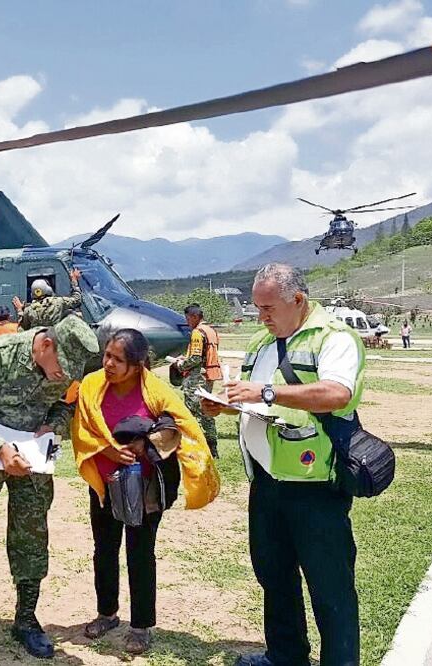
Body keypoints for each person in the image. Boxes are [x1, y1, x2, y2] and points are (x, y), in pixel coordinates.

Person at [202, 263, 365, 666]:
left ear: (298, 300)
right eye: (258, 307)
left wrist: (268, 391)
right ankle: (286, 656)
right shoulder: (261, 341)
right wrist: (225, 406)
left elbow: (337, 394)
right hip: (268, 482)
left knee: (330, 587)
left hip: (315, 487)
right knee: (274, 577)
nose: (262, 316)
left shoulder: (334, 338)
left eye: (269, 308)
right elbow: (250, 396)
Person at [0, 315, 100, 659]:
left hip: (33, 459)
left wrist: (54, 427)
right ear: (45, 344)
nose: (63, 375)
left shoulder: (64, 367)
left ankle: (26, 619)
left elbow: (65, 404)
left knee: (31, 536)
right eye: (61, 366)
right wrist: (1, 449)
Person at [71, 328, 219, 654]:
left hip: (145, 488)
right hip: (106, 485)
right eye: (106, 355)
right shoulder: (93, 386)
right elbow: (81, 428)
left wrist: (145, 444)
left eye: (117, 359)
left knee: (140, 554)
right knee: (104, 550)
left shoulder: (156, 393)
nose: (108, 363)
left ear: (137, 365)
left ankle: (140, 626)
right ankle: (107, 613)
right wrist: (107, 451)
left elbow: (176, 430)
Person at [174, 304, 223, 457]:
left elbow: (195, 358)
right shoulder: (211, 330)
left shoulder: (197, 332)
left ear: (195, 317)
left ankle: (192, 446)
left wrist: (181, 365)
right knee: (206, 411)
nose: (187, 321)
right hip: (208, 375)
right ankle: (212, 448)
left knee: (191, 411)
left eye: (188, 318)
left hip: (196, 378)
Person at [14, 268, 83, 329]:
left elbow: (23, 327)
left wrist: (20, 310)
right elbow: (77, 300)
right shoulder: (58, 302)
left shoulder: (29, 310)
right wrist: (74, 281)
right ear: (48, 289)